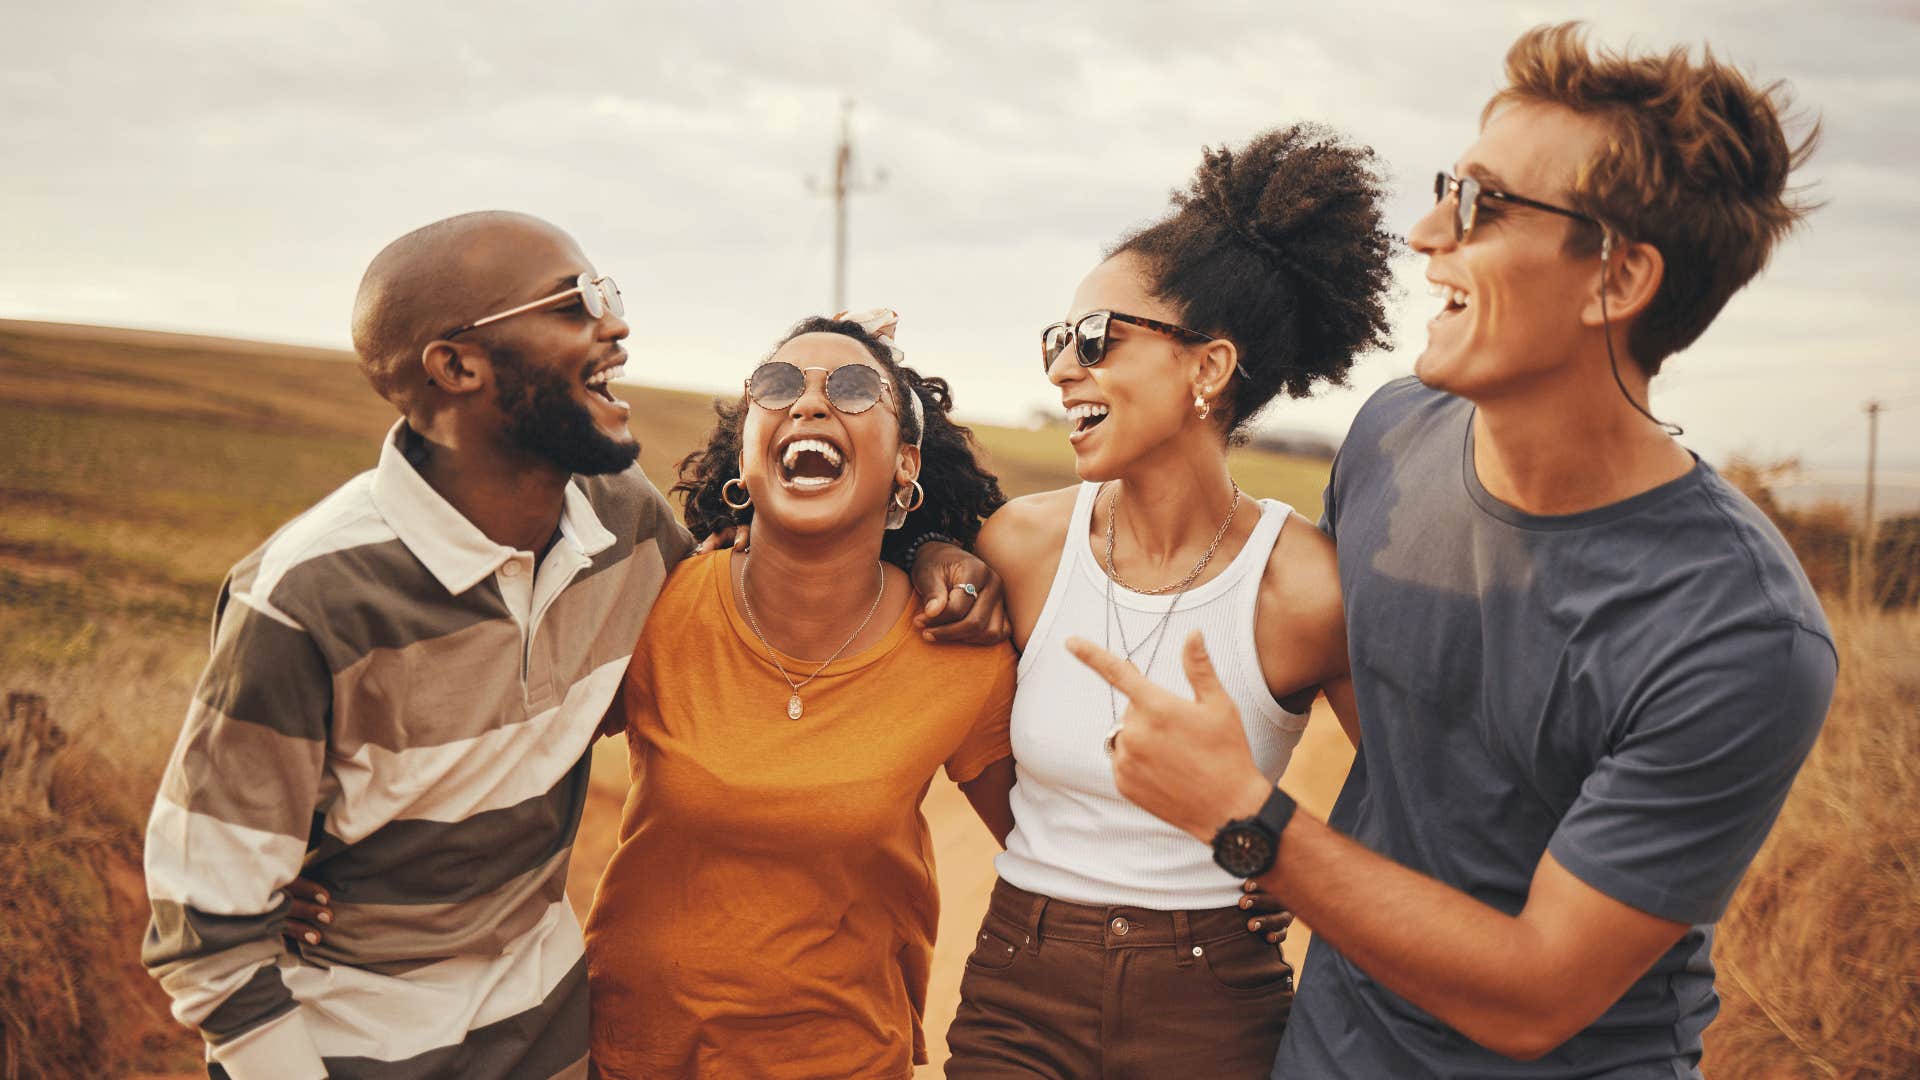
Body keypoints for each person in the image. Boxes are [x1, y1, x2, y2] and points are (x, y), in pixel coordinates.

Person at [1075, 23, 1836, 1078]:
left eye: (1481, 204)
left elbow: (1537, 996)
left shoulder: (1738, 631)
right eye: (1448, 188)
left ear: (1616, 279)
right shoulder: (1393, 437)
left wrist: (1244, 820)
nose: (1427, 233)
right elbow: (1392, 730)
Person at [140, 215, 1001, 1080]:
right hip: (366, 1051)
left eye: (610, 296)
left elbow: (782, 583)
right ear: (455, 366)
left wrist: (934, 549)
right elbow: (205, 926)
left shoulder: (620, 533)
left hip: (552, 1038)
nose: (615, 326)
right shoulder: (308, 596)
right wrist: (282, 880)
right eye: (573, 304)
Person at [943, 125, 1396, 1077]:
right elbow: (966, 746)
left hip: (1214, 1000)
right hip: (1018, 984)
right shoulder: (1020, 548)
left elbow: (1417, 800)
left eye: (1097, 339)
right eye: (1056, 341)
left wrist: (1277, 852)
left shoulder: (1304, 587)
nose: (1063, 368)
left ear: (1209, 368)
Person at [583, 314, 1018, 1078]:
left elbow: (1049, 847)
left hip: (845, 1058)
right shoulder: (657, 606)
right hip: (630, 1054)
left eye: (853, 390)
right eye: (778, 386)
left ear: (905, 464)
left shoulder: (958, 646)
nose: (810, 405)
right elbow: (508, 760)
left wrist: (1235, 881)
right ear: (745, 455)